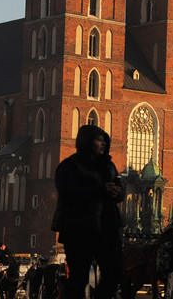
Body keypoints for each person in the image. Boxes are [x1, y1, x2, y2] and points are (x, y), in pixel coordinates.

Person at [52, 125, 124, 299]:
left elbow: (120, 190)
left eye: (104, 140)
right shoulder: (70, 166)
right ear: (87, 142)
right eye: (99, 140)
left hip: (106, 228)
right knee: (79, 278)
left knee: (115, 272)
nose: (103, 144)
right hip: (79, 229)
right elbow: (67, 192)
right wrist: (100, 189)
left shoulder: (109, 165)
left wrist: (117, 192)